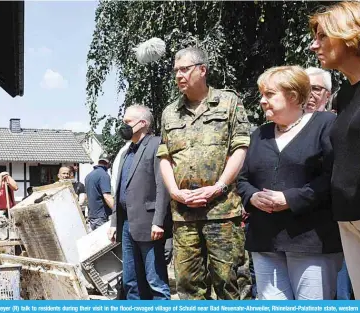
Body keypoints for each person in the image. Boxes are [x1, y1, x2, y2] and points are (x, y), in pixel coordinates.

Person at [236, 65, 342, 300]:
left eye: (269, 94)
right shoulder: (259, 134)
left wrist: (290, 199)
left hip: (311, 242)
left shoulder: (325, 125)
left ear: (293, 96)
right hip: (265, 241)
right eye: (261, 95)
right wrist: (252, 197)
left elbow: (332, 176)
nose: (262, 101)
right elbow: (242, 179)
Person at [158, 46, 251, 300]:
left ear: (202, 70)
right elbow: (165, 157)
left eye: (185, 69)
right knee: (188, 284)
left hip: (221, 211)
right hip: (184, 213)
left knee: (229, 282)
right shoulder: (169, 112)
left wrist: (219, 186)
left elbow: (239, 148)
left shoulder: (229, 102)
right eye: (175, 70)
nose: (178, 75)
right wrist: (176, 193)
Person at [310, 2, 360, 299]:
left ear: (349, 33)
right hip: (348, 218)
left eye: (322, 36)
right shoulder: (344, 95)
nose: (313, 45)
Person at [108, 105, 171, 300]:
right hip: (127, 225)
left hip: (149, 225)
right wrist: (113, 222)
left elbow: (163, 187)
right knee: (130, 282)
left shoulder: (156, 145)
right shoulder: (127, 151)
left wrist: (158, 221)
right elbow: (119, 189)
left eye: (128, 122)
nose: (123, 126)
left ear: (143, 123)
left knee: (155, 282)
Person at [84, 155, 114, 230]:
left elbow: (87, 196)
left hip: (92, 216)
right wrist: (116, 211)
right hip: (101, 216)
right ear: (109, 163)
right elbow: (107, 196)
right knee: (103, 240)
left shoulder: (89, 176)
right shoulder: (104, 175)